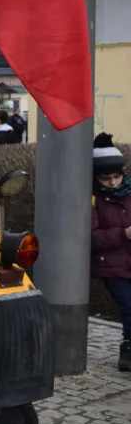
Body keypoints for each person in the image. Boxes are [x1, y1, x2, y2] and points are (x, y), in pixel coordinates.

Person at [92, 134, 131, 372]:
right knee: (129, 305)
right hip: (111, 265)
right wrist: (123, 234)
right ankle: (128, 349)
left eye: (117, 177)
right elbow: (91, 238)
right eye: (106, 178)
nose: (113, 183)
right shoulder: (92, 199)